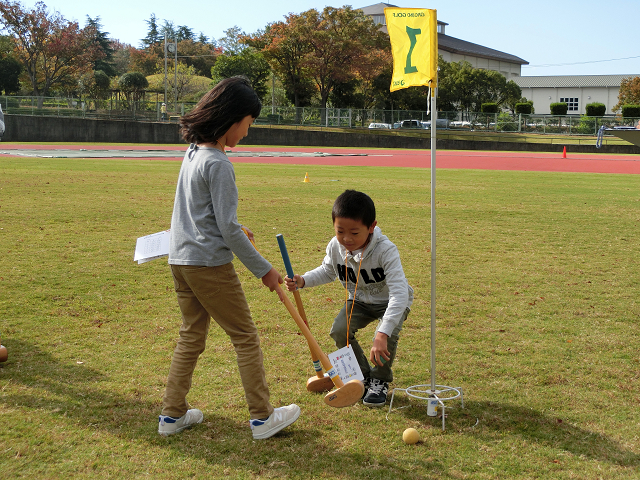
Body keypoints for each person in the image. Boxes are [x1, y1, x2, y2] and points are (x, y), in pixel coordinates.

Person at [159, 76, 300, 439]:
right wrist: (265, 270)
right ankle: (262, 418)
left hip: (181, 259)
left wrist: (238, 228)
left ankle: (172, 415)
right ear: (232, 119)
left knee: (191, 335)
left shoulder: (192, 152)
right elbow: (227, 229)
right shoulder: (219, 163)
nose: (248, 133)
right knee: (246, 337)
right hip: (208, 264)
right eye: (248, 124)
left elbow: (207, 215)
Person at [285, 190, 413, 407]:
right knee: (339, 330)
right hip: (359, 301)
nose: (346, 239)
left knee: (385, 338)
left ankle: (379, 381)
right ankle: (361, 377)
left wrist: (382, 333)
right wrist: (303, 280)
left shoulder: (386, 251)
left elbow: (399, 294)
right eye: (340, 231)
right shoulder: (336, 247)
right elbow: (328, 271)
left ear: (371, 227)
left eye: (354, 232)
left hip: (390, 302)